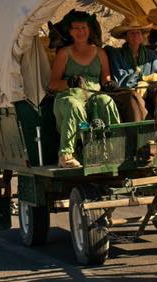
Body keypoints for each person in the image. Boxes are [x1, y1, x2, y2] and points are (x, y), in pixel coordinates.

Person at [48, 10, 121, 169]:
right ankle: (66, 155)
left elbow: (105, 78)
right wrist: (69, 82)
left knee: (106, 101)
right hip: (69, 97)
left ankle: (114, 149)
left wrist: (110, 84)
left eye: (84, 28)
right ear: (70, 31)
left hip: (94, 96)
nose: (81, 32)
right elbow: (53, 84)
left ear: (89, 29)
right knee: (74, 107)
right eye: (77, 28)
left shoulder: (100, 53)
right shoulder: (64, 53)